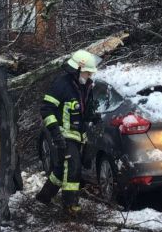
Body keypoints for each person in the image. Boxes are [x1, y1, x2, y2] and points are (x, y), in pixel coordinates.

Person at [35, 49, 101, 215]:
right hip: (63, 135)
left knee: (61, 169)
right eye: (87, 73)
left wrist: (93, 116)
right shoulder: (61, 84)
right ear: (77, 69)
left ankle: (44, 197)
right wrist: (56, 134)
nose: (89, 76)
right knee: (73, 168)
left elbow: (83, 111)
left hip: (78, 135)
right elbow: (46, 109)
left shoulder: (85, 86)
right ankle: (70, 206)